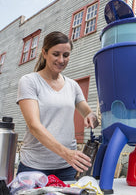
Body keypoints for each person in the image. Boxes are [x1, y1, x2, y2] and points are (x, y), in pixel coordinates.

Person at [16, 31, 98, 181]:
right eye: (56, 54)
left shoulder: (72, 85)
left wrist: (91, 116)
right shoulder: (29, 81)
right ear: (44, 53)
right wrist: (66, 153)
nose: (61, 60)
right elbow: (34, 125)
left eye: (66, 55)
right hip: (35, 166)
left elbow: (86, 110)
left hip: (67, 167)